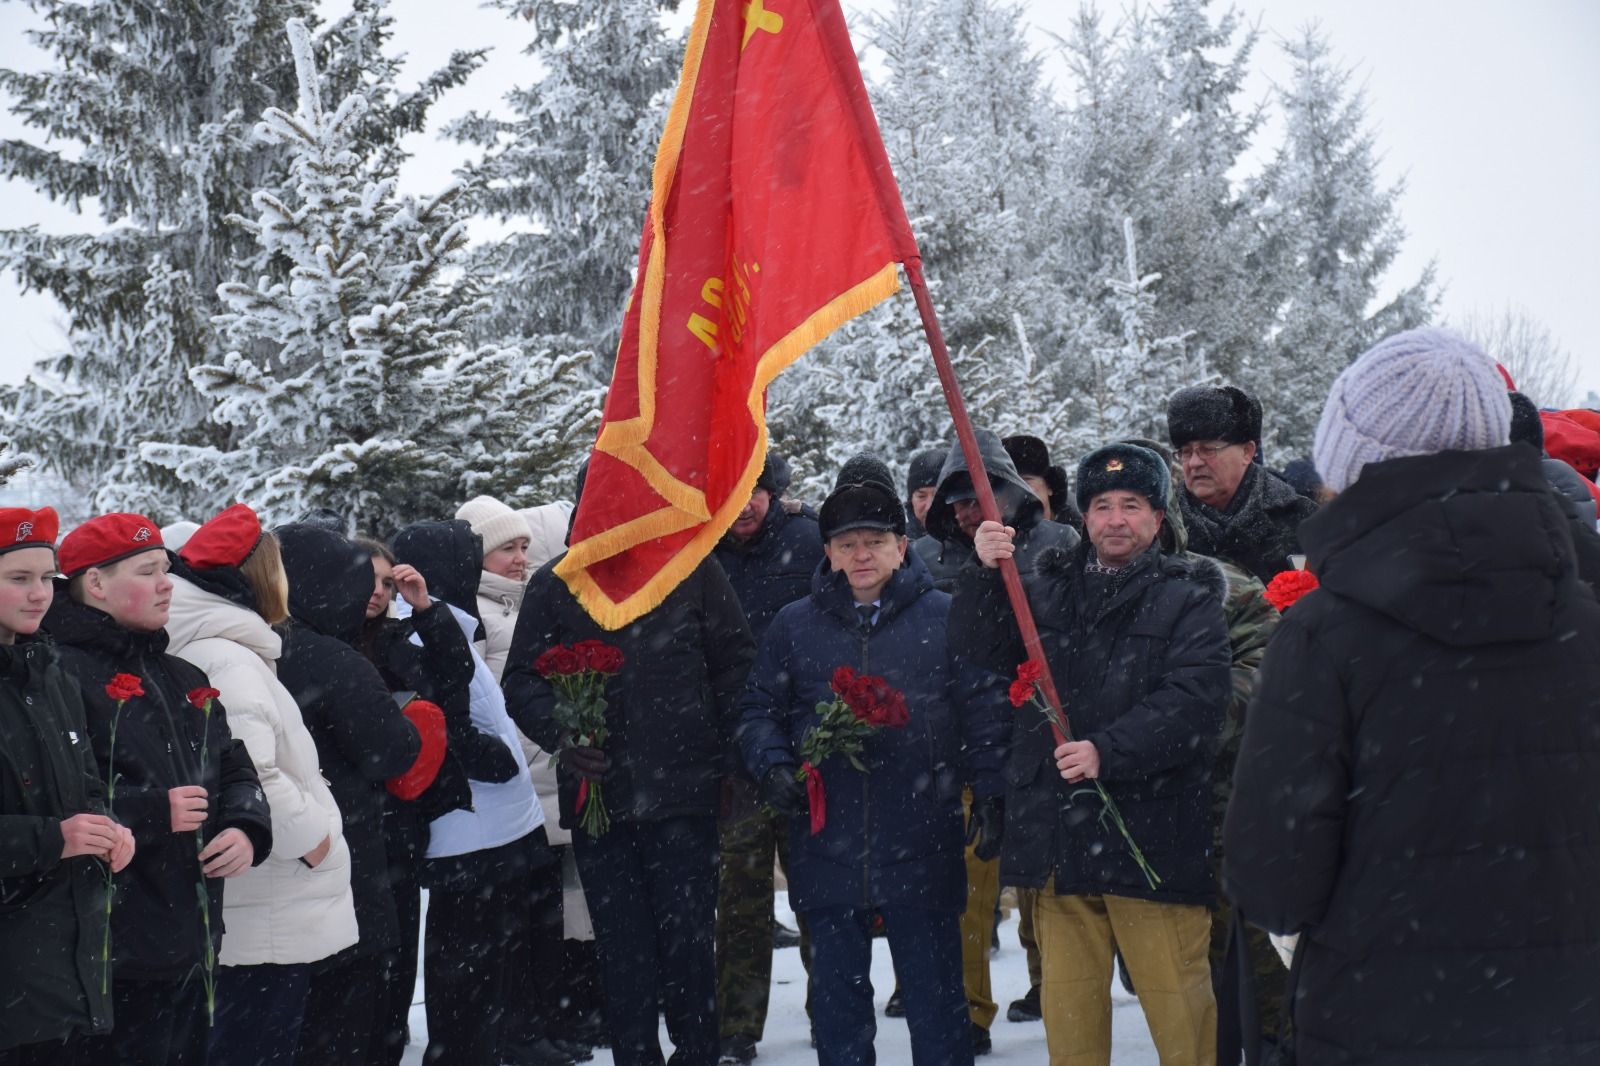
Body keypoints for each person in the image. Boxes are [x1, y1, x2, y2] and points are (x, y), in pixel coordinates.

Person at [1224, 328, 1600, 1065]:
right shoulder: (1588, 627)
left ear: (1355, 457)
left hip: (1384, 1022)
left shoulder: (1326, 635)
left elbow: (1273, 877)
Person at [956, 444, 1231, 1066]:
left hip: (1153, 843)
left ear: (1158, 518)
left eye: (1131, 505)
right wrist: (982, 573)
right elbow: (979, 646)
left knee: (1180, 1016)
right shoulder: (1044, 588)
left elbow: (1197, 700)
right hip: (1063, 842)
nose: (1115, 519)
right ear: (1083, 516)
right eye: (1101, 505)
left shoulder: (1188, 596)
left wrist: (1109, 751)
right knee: (1071, 1022)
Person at [738, 456, 1008, 1066]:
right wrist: (774, 762)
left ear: (901, 546)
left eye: (876, 542)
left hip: (922, 834)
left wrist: (991, 791)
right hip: (827, 840)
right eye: (847, 543)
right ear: (828, 552)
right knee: (838, 1007)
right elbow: (758, 708)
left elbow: (984, 710)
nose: (862, 555)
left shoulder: (944, 615)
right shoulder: (795, 626)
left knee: (937, 1003)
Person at [503, 463, 756, 1066]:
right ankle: (635, 1054)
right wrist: (565, 730)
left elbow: (736, 666)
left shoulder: (690, 566)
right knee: (623, 947)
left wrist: (731, 761)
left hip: (685, 791)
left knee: (690, 940)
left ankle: (696, 1052)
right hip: (599, 799)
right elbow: (521, 680)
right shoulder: (557, 583)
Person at [47, 513, 272, 1066]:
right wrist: (150, 813)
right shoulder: (57, 677)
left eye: (165, 570)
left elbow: (234, 765)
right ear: (95, 584)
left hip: (191, 945)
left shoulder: (182, 675)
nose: (167, 583)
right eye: (148, 572)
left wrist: (245, 827)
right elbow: (46, 802)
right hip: (110, 956)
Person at [161, 506, 358, 1066]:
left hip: (259, 893)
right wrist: (314, 839)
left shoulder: (223, 648)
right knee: (256, 1040)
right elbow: (252, 770)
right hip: (268, 892)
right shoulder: (228, 659)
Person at [393, 519, 582, 1066]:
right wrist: (486, 757)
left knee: (498, 956)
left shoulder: (448, 620)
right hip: (467, 827)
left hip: (499, 821)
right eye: (467, 556)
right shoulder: (415, 627)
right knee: (463, 964)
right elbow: (436, 717)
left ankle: (499, 1042)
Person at [275, 524, 446, 1066]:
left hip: (274, 857)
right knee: (350, 1013)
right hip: (345, 849)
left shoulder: (256, 644)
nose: (371, 596)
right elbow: (392, 752)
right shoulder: (330, 657)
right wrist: (414, 725)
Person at [0, 508, 131, 1061]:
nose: (39, 595)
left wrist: (109, 828)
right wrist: (55, 839)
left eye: (47, 579)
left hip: (64, 974)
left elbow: (84, 788)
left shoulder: (50, 674)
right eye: (18, 579)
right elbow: (56, 827)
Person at [710, 453, 822, 1065]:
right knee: (741, 900)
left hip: (810, 748)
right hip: (735, 756)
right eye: (733, 493)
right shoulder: (701, 554)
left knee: (816, 891)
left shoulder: (808, 540)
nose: (746, 505)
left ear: (776, 492)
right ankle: (737, 1027)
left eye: (756, 491)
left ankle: (828, 1005)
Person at [351, 534, 478, 1066]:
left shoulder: (399, 637)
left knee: (399, 955)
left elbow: (455, 679)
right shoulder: (315, 641)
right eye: (367, 581)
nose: (377, 593)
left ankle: (388, 1038)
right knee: (357, 965)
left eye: (386, 583)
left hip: (400, 823)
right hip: (350, 826)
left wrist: (426, 609)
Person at [1166, 384, 1319, 584]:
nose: (1194, 462)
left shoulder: (1301, 519)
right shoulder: (1162, 527)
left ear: (1247, 451)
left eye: (1208, 449)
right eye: (1186, 451)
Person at [913, 429, 1078, 592]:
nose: (975, 513)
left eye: (985, 501)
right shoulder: (922, 557)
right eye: (964, 502)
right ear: (949, 504)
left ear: (1010, 496)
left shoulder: (1059, 540)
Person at [1002, 434, 1082, 535]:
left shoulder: (1088, 535)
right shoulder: (995, 537)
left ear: (1049, 486)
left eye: (1025, 481)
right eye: (1008, 485)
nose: (1016, 490)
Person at [904, 448, 945, 540]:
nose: (929, 506)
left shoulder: (976, 539)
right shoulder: (899, 544)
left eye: (937, 496)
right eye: (921, 496)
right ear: (911, 500)